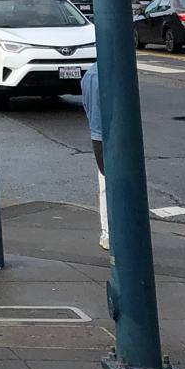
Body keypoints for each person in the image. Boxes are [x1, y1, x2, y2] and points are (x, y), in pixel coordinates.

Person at [80, 61, 109, 250]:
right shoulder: (106, 75)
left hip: (98, 136)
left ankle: (107, 232)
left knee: (105, 185)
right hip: (110, 138)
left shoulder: (90, 75)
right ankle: (111, 233)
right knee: (111, 184)